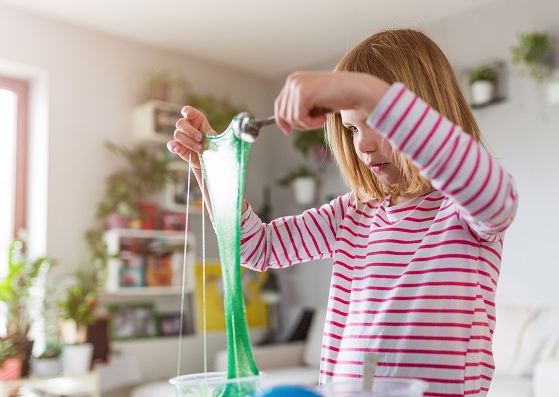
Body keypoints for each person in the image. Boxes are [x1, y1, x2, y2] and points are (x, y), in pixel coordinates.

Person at [168, 28, 518, 397]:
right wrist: (210, 168)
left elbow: (496, 196)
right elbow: (258, 247)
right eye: (351, 127)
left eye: (378, 122)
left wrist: (365, 92)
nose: (363, 144)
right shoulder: (353, 213)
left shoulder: (461, 211)